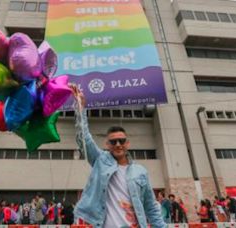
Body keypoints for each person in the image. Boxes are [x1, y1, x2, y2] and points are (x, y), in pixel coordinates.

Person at [70, 86, 166, 228]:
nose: (118, 144)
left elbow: (150, 207)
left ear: (127, 143)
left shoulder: (140, 172)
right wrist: (81, 109)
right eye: (113, 141)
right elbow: (83, 139)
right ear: (107, 144)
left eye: (121, 141)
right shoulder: (100, 160)